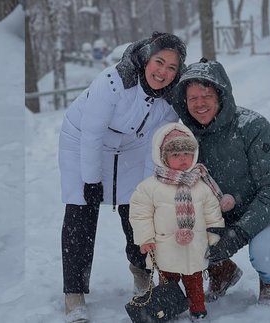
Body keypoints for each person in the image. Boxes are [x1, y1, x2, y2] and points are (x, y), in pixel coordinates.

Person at [57, 31, 187, 322]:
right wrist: (91, 180)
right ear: (145, 59)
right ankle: (74, 291)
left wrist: (146, 193)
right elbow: (91, 134)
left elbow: (155, 147)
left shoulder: (169, 101)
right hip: (82, 140)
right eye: (159, 62)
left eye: (171, 67)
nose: (163, 72)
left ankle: (141, 271)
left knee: (136, 209)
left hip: (131, 146)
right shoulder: (112, 82)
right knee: (81, 210)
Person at [170, 58, 270, 306]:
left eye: (206, 95)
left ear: (220, 95)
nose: (200, 104)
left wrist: (238, 233)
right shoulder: (184, 136)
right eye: (193, 98)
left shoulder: (253, 127)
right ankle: (222, 271)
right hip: (217, 214)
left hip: (265, 212)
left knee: (266, 255)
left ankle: (269, 280)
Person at [129, 122, 232, 322]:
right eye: (176, 155)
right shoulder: (150, 187)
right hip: (165, 249)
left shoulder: (200, 185)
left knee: (194, 283)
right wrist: (145, 238)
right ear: (162, 156)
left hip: (194, 248)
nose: (183, 159)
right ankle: (168, 309)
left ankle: (198, 310)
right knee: (168, 284)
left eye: (187, 153)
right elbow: (140, 215)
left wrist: (214, 236)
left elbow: (212, 212)